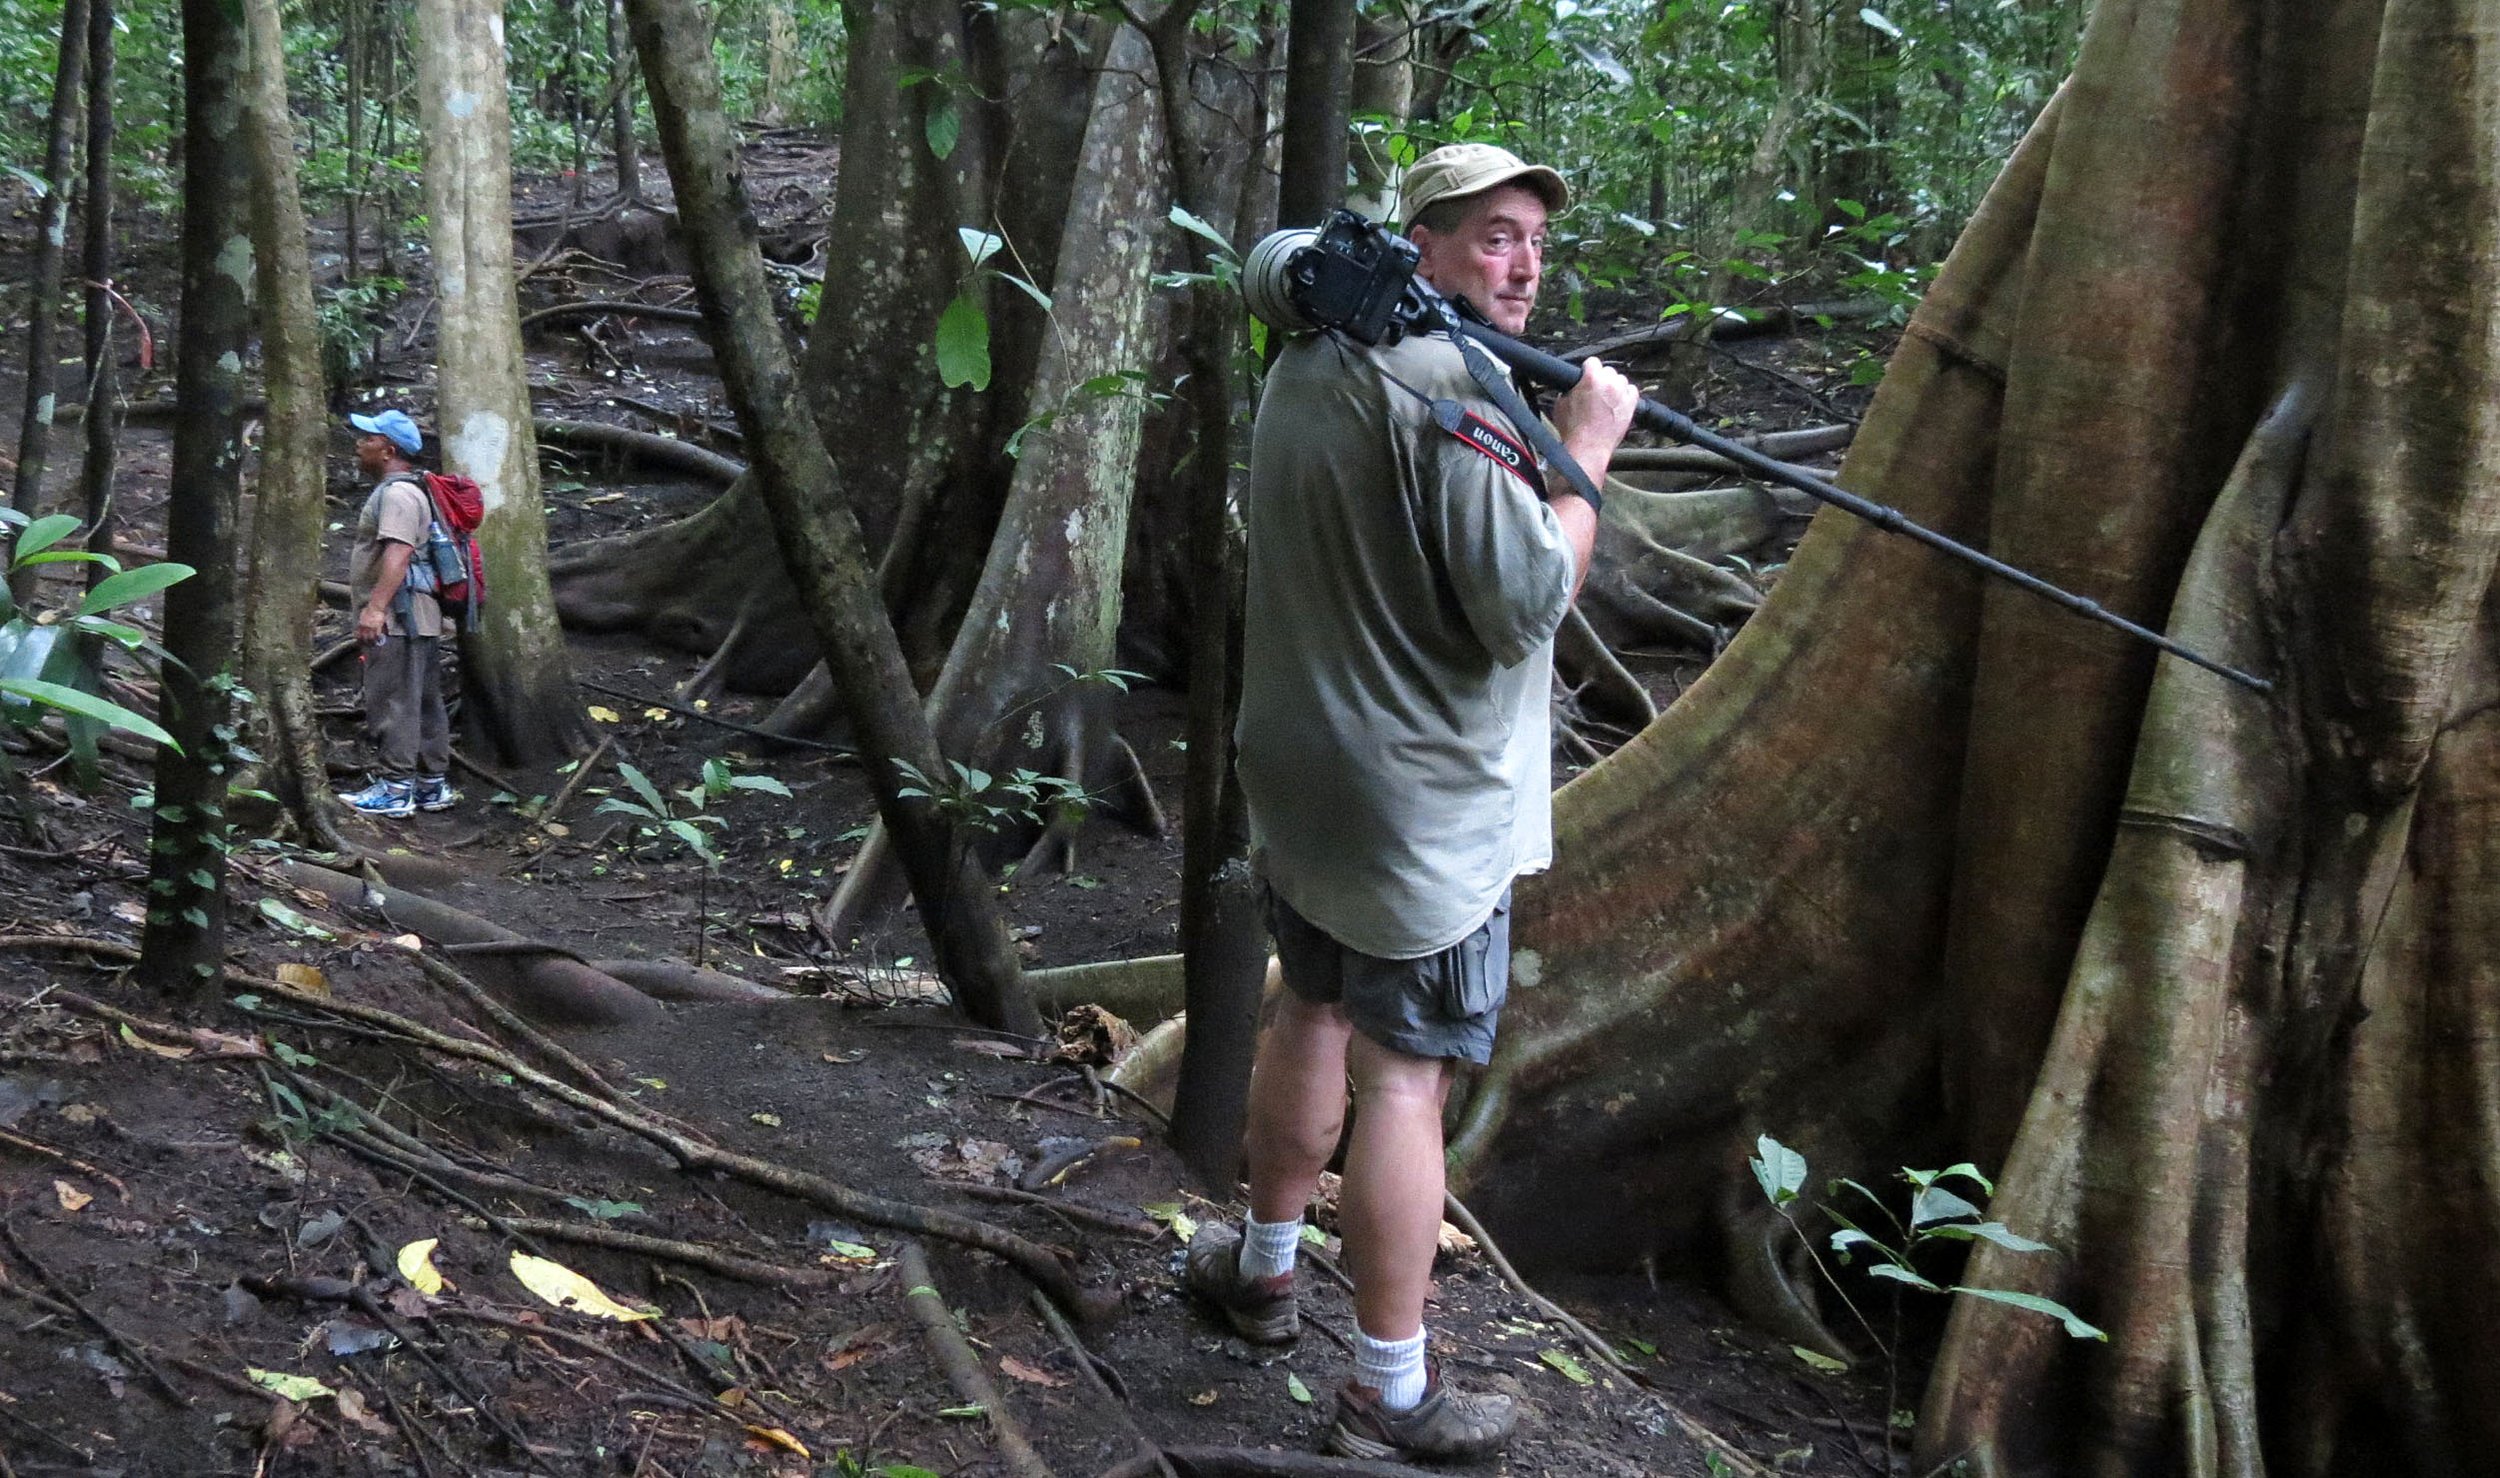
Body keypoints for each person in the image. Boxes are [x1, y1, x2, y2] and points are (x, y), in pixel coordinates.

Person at [1186, 144, 1638, 1462]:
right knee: (1406, 1083)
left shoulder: (1314, 346)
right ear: (1423, 245)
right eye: (1493, 236)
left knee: (1309, 1003)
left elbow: (1273, 275)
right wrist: (1587, 456)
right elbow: (1524, 606)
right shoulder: (1454, 391)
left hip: (1305, 769)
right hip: (1421, 814)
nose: (1525, 262)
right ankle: (1394, 1393)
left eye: (1534, 240)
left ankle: (1264, 1270)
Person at [338, 408, 458, 818]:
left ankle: (395, 789)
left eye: (368, 438)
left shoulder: (398, 494)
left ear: (388, 450)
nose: (359, 443)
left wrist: (375, 609)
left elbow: (400, 552)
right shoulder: (413, 490)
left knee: (393, 699)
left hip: (401, 616)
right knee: (422, 699)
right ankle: (429, 785)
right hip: (417, 615)